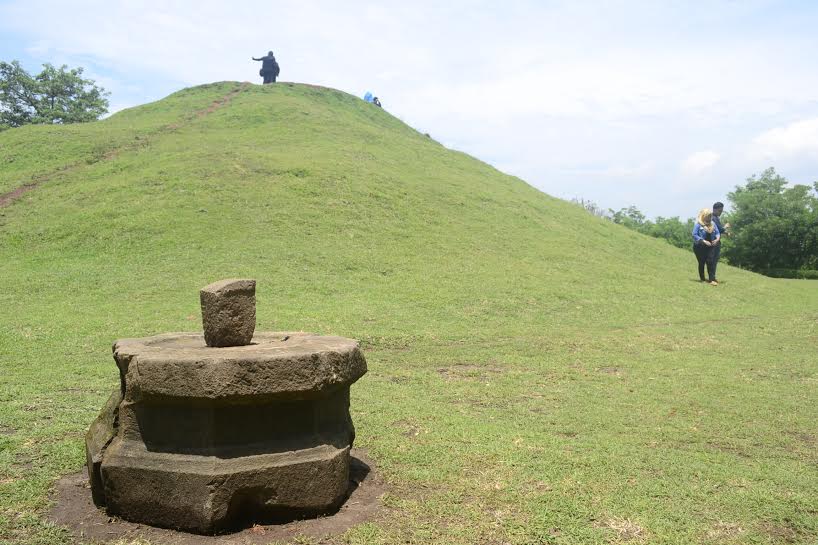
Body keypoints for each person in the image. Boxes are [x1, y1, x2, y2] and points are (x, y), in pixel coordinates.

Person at [692, 208, 720, 285]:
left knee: (710, 262)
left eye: (710, 216)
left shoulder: (713, 224)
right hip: (699, 247)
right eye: (707, 216)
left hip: (710, 246)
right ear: (703, 216)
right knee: (701, 262)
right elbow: (694, 234)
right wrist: (703, 241)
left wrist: (717, 239)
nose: (709, 217)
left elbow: (717, 233)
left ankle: (711, 280)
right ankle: (702, 279)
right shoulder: (698, 224)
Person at [711, 201, 730, 282]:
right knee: (713, 260)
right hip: (714, 242)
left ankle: (712, 277)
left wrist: (725, 232)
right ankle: (712, 278)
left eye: (721, 211)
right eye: (720, 211)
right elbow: (719, 228)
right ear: (714, 209)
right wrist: (725, 227)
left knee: (714, 260)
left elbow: (718, 230)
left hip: (715, 241)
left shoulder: (715, 217)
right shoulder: (713, 218)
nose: (721, 213)